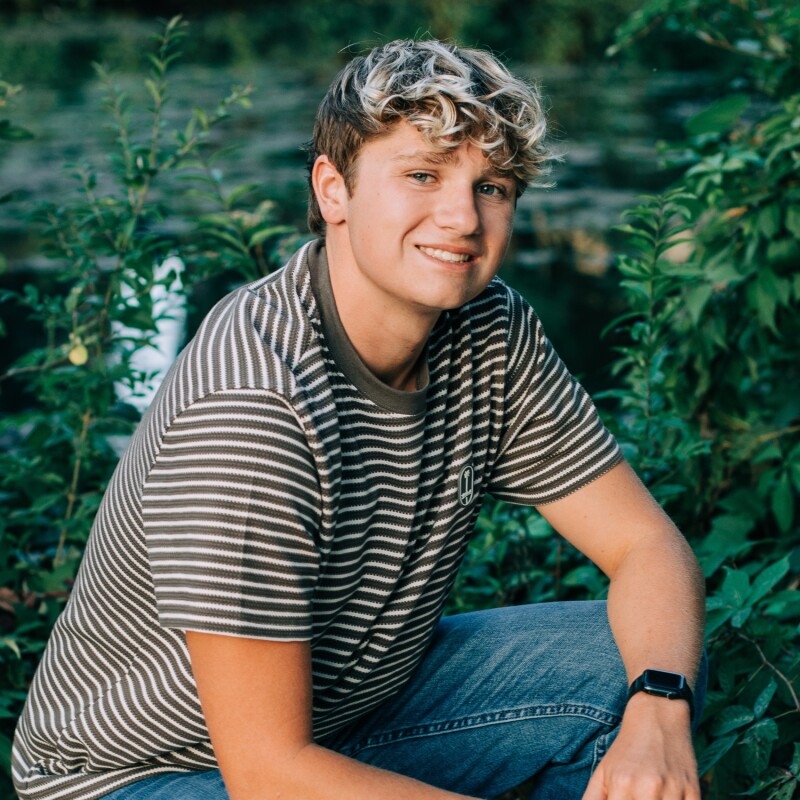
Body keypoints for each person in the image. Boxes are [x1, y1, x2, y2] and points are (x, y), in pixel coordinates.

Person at [12, 39, 706, 800]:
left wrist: (659, 714)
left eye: (492, 186)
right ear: (332, 189)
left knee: (639, 661)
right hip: (146, 774)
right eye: (422, 175)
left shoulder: (491, 329)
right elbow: (268, 772)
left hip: (350, 716)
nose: (462, 218)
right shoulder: (253, 402)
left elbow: (646, 547)